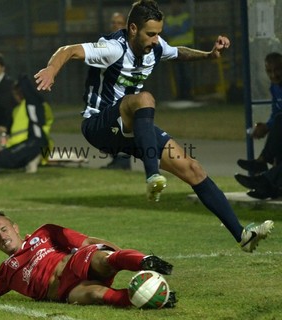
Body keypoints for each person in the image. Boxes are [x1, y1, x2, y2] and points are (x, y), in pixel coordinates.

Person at [34, 0, 274, 252]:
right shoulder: (113, 48)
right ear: (133, 29)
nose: (155, 39)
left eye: (158, 33)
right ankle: (152, 175)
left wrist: (209, 55)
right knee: (144, 98)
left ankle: (242, 235)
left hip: (131, 127)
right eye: (151, 34)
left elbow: (177, 52)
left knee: (192, 168)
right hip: (99, 126)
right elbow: (68, 50)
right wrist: (51, 69)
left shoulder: (156, 46)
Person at [0, 210, 176, 308]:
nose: (2, 236)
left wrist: (123, 257)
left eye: (4, 229)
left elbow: (87, 242)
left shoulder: (44, 233)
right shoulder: (6, 273)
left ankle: (145, 261)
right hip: (64, 292)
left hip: (75, 264)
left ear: (15, 228)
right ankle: (150, 300)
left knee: (103, 260)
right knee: (96, 294)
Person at [237, 52, 282, 175]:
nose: (274, 75)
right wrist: (266, 126)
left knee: (278, 123)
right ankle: (267, 181)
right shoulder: (275, 87)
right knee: (278, 127)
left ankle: (262, 162)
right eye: (269, 71)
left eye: (277, 70)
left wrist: (268, 126)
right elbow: (276, 112)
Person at [102, 11, 131, 170]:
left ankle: (123, 161)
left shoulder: (127, 44)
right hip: (108, 92)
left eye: (119, 23)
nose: (115, 26)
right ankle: (116, 159)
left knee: (120, 125)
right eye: (113, 22)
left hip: (122, 92)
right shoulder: (107, 43)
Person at [163, 0, 194, 100]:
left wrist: (174, 29)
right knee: (178, 74)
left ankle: (188, 94)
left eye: (176, 4)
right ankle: (180, 95)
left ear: (180, 6)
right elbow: (167, 31)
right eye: (172, 4)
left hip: (186, 48)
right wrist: (177, 29)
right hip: (174, 51)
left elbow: (183, 29)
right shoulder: (169, 19)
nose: (174, 7)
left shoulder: (186, 16)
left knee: (187, 72)